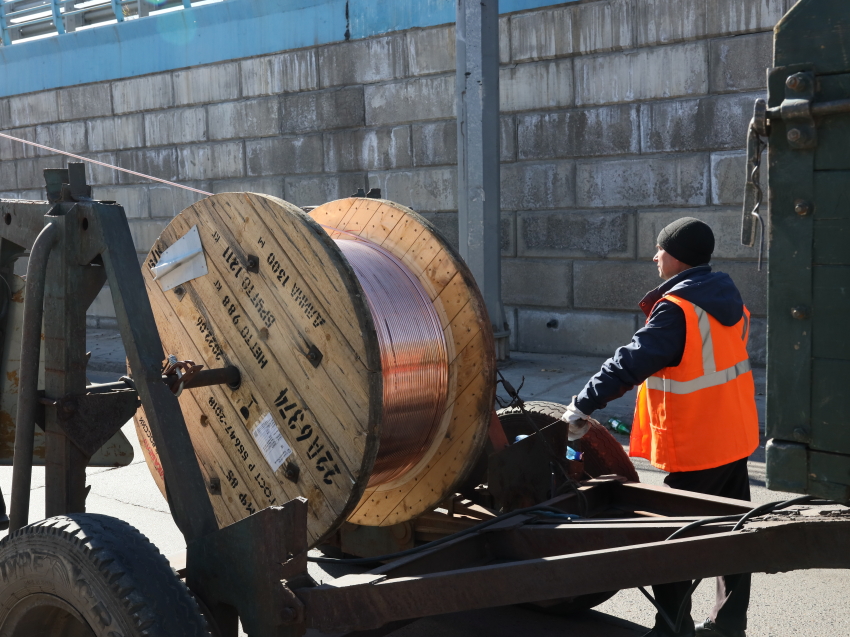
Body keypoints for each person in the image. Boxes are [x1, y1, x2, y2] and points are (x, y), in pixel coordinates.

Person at [561, 217, 759, 637]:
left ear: (677, 257)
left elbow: (629, 362)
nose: (655, 256)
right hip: (735, 437)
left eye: (660, 249)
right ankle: (728, 626)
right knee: (734, 538)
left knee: (670, 545)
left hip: (698, 445)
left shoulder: (678, 309)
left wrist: (581, 405)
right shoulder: (728, 297)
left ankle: (671, 629)